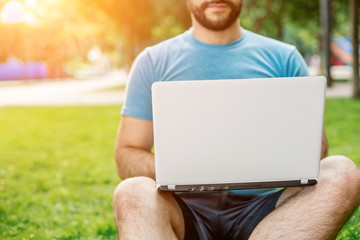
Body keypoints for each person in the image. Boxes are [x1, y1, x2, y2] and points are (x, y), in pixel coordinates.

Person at [113, 0, 360, 239]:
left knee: (343, 172)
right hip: (180, 211)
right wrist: (183, 167)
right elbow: (127, 155)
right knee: (131, 191)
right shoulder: (151, 62)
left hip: (268, 214)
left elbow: (316, 150)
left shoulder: (284, 58)